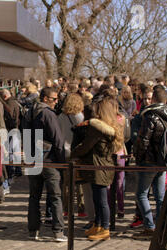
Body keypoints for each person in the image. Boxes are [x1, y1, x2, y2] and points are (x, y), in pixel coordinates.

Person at [71, 96, 123, 241]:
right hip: (103, 166)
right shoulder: (110, 127)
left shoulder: (97, 128)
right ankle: (98, 225)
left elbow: (86, 146)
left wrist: (73, 153)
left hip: (98, 167)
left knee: (101, 200)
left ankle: (105, 228)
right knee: (97, 198)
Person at [132, 88, 167, 239]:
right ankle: (160, 225)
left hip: (150, 160)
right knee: (160, 195)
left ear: (153, 100)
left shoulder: (151, 116)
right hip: (164, 160)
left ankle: (150, 227)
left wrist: (139, 158)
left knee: (141, 194)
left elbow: (143, 140)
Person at [24, 87, 67, 242]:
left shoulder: (29, 113)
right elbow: (58, 140)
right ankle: (58, 231)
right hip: (49, 162)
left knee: (34, 196)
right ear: (45, 98)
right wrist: (62, 163)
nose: (56, 102)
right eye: (54, 99)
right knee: (55, 196)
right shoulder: (48, 113)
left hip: (33, 159)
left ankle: (33, 230)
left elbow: (25, 136)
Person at [57, 93, 88, 220]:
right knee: (79, 181)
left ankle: (66, 209)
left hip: (64, 151)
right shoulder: (81, 117)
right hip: (77, 151)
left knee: (66, 183)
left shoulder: (60, 117)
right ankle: (81, 209)